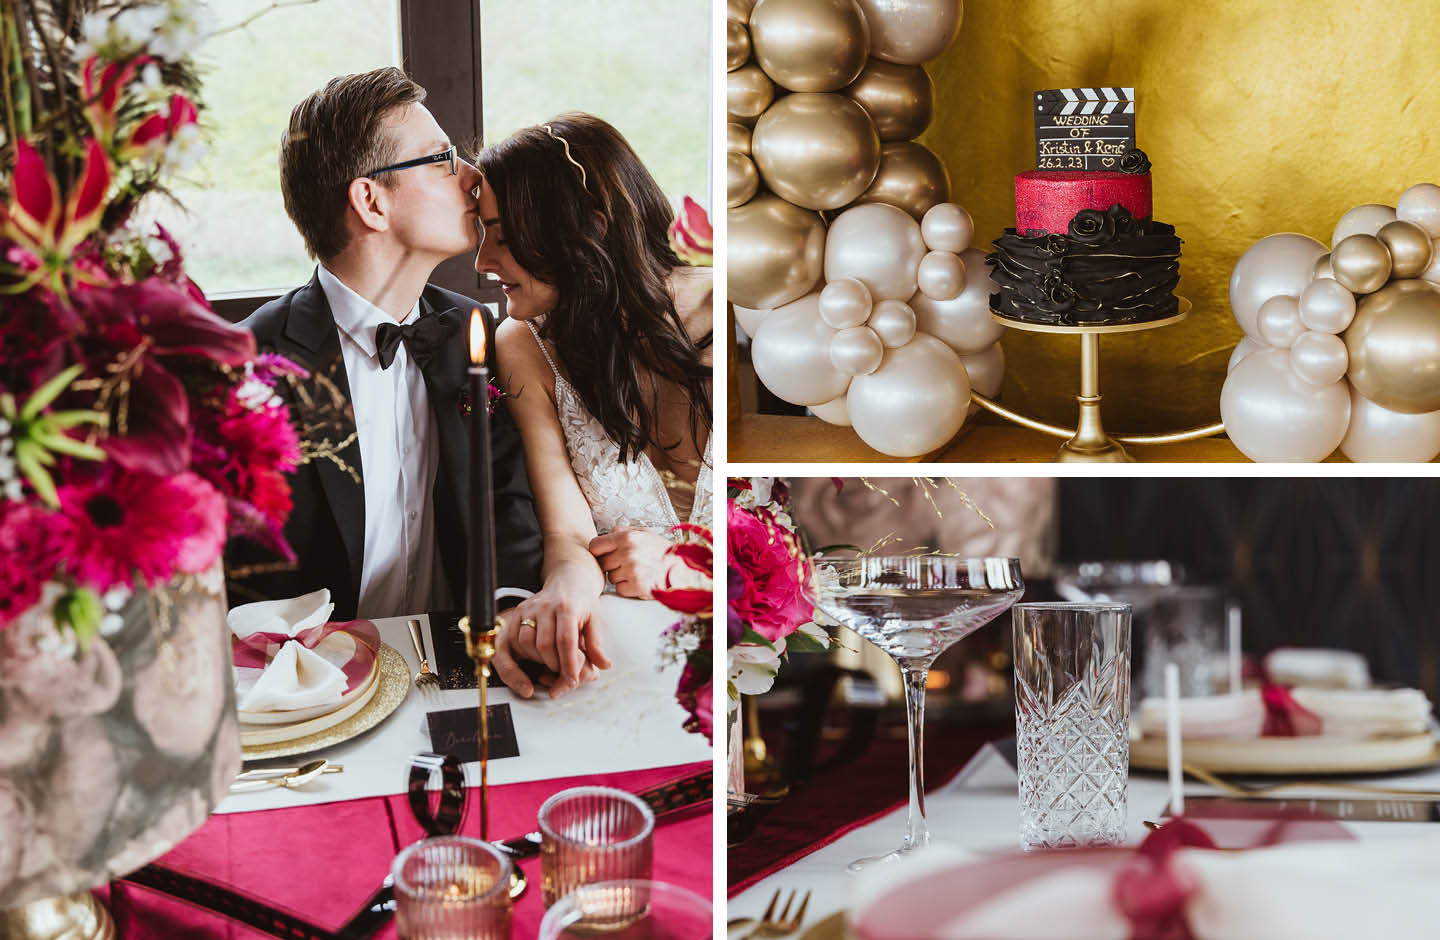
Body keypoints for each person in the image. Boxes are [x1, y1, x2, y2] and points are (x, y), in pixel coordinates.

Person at [225, 67, 542, 621]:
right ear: (371, 202)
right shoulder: (251, 366)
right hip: (322, 684)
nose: (473, 177)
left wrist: (515, 617)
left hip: (469, 662)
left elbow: (506, 507)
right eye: (442, 160)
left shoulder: (475, 333)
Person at [473, 113, 712, 699]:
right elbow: (567, 535)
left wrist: (694, 572)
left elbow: (815, 539)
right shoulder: (522, 343)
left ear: (590, 231)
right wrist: (564, 591)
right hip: (627, 658)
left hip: (758, 645)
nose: (481, 262)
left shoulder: (736, 313)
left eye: (501, 236)